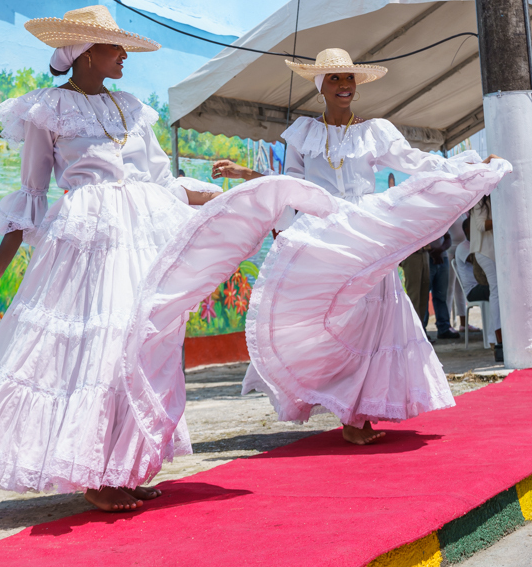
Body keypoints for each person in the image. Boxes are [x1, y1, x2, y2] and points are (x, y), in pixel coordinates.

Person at [0, 5, 223, 512]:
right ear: (85, 53)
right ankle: (95, 474)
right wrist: (1, 263)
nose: (123, 57)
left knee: (139, 345)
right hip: (88, 239)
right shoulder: (46, 111)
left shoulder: (132, 108)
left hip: (141, 234)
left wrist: (225, 197)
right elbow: (31, 191)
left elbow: (162, 180)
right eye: (115, 48)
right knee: (101, 346)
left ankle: (124, 465)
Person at [212, 48, 507, 444]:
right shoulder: (302, 133)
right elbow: (294, 185)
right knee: (335, 322)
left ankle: (360, 413)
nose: (344, 85)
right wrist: (282, 223)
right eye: (334, 78)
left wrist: (466, 166)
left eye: (349, 78)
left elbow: (415, 161)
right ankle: (346, 409)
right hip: (326, 235)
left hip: (367, 232)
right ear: (320, 86)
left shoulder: (375, 132)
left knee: (377, 321)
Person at [467, 196, 503, 361]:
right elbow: (481, 225)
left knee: (496, 294)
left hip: (487, 252)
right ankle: (496, 337)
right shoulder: (479, 201)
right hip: (486, 252)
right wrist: (505, 219)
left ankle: (494, 338)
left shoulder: (485, 200)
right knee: (496, 293)